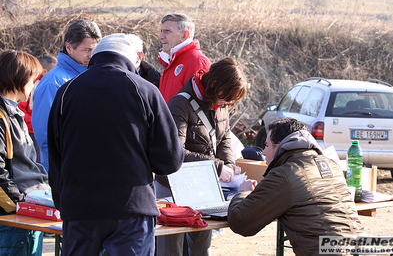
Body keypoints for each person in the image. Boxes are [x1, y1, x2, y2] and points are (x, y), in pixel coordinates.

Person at [47, 33, 184, 256]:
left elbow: (55, 154)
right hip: (131, 208)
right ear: (136, 58)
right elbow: (169, 160)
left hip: (79, 208)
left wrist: (63, 201)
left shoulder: (66, 92)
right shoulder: (145, 91)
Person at [228, 117, 364, 255]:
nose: (263, 152)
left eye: (267, 145)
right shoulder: (331, 165)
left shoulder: (285, 173)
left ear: (280, 146)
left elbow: (240, 222)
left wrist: (242, 192)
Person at [155, 57, 247, 256]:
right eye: (227, 97)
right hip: (172, 187)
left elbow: (223, 140)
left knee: (201, 245)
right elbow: (176, 152)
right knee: (171, 248)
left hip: (204, 187)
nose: (228, 103)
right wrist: (218, 167)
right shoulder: (180, 103)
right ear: (214, 84)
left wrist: (229, 164)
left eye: (232, 100)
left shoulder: (221, 104)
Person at [31, 19, 102, 172]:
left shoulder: (92, 76)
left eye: (94, 50)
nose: (92, 55)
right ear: (69, 48)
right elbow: (45, 137)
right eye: (86, 50)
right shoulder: (53, 83)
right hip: (65, 172)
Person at [0, 50, 50, 255]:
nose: (34, 84)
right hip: (13, 219)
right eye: (32, 78)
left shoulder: (13, 112)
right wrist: (20, 204)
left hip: (26, 211)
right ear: (18, 77)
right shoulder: (2, 116)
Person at [158, 13, 211, 103]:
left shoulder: (197, 62)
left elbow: (205, 106)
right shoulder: (172, 61)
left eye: (167, 31)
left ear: (184, 35)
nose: (161, 36)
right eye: (161, 31)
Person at [18, 54, 57, 163]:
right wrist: (34, 123)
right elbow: (20, 109)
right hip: (31, 131)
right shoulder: (30, 84)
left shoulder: (52, 85)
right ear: (44, 71)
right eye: (53, 71)